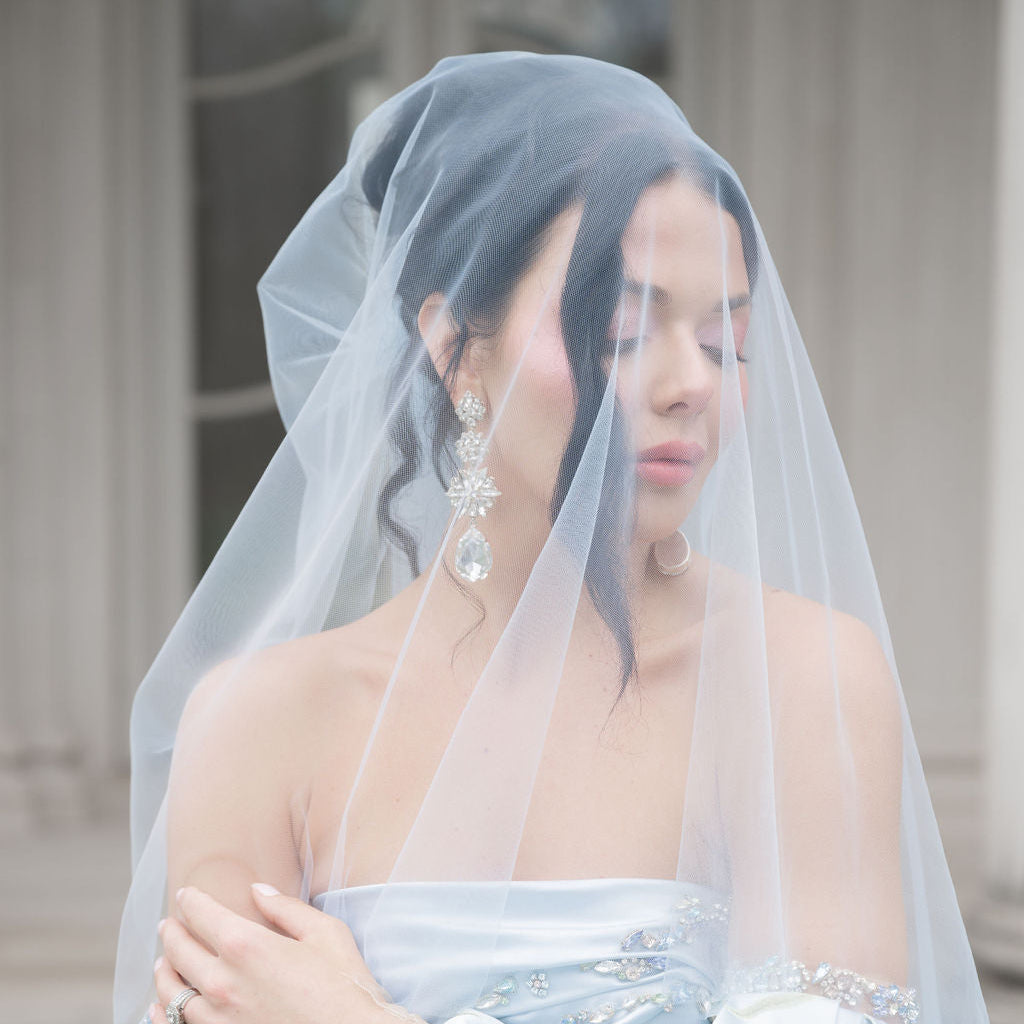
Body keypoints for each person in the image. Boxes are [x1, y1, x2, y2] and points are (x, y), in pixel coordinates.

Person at [114, 52, 989, 1024]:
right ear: (453, 350)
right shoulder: (256, 725)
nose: (690, 386)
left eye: (723, 343)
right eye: (619, 330)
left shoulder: (802, 680)